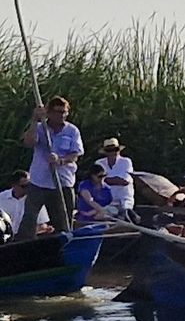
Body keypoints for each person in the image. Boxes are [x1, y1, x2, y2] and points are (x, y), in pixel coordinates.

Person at [18, 96, 83, 239]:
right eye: (59, 112)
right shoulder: (40, 128)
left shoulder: (72, 131)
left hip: (62, 182)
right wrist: (35, 120)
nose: (62, 115)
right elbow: (28, 142)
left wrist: (60, 160)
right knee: (30, 218)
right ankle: (23, 246)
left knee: (63, 220)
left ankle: (64, 245)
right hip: (39, 182)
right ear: (49, 112)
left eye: (65, 112)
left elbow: (75, 154)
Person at [0, 170, 49, 238]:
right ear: (14, 185)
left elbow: (42, 224)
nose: (28, 189)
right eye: (24, 186)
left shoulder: (35, 200)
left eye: (30, 185)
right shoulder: (1, 198)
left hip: (25, 239)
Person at [95, 138, 136, 218]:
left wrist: (105, 180)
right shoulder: (99, 163)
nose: (113, 152)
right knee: (100, 216)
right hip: (107, 202)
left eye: (115, 149)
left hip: (124, 201)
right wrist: (113, 180)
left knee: (126, 214)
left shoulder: (126, 161)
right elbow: (96, 182)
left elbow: (124, 181)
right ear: (105, 152)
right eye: (109, 150)